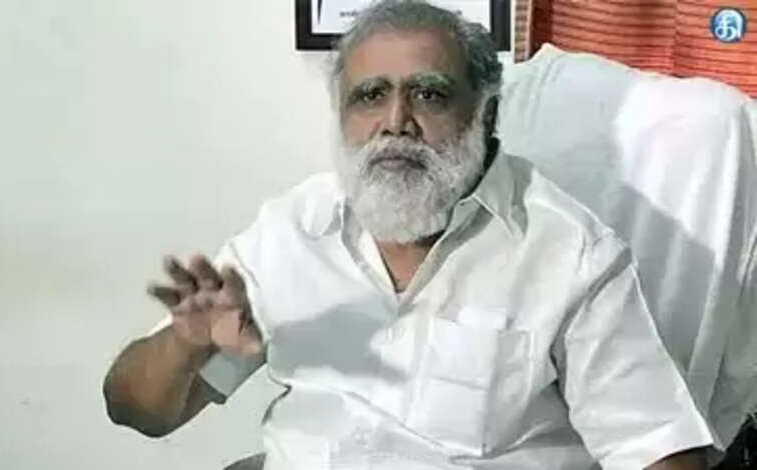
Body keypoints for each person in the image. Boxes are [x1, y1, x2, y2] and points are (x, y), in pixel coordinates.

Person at [102, 1, 719, 468]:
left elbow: (660, 453)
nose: (396, 122)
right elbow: (135, 412)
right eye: (370, 96)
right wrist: (184, 344)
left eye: (429, 94)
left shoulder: (570, 255)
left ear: (486, 112)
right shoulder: (291, 229)